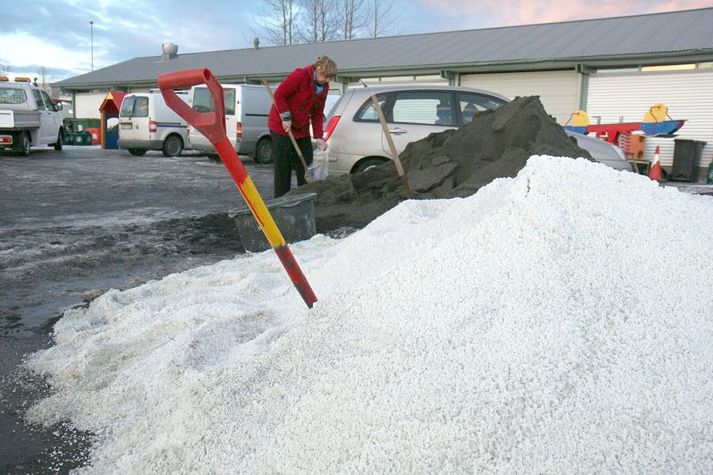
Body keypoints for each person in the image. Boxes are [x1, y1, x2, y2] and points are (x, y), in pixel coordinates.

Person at [268, 55, 336, 197]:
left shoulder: (324, 87)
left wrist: (319, 136)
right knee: (283, 166)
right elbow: (279, 95)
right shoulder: (300, 76)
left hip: (301, 128)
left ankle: (304, 198)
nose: (327, 80)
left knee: (306, 164)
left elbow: (318, 113)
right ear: (318, 68)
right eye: (326, 76)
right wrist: (285, 117)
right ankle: (281, 200)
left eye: (330, 78)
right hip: (281, 127)